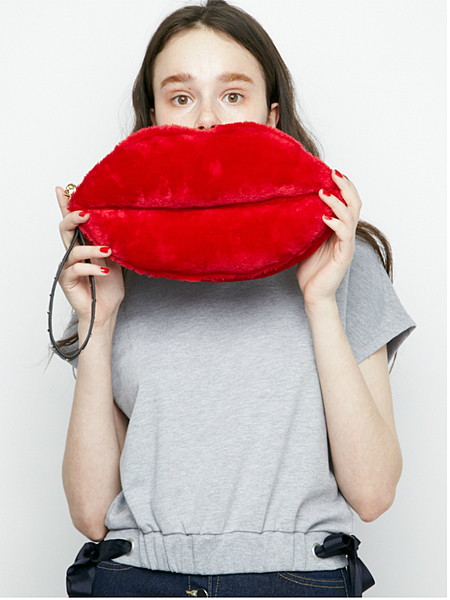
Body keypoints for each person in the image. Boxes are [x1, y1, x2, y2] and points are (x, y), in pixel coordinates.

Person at [56, 1, 415, 597]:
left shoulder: (344, 259)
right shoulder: (115, 269)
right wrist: (100, 315)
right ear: (152, 120)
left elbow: (373, 493)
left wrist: (320, 301)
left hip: (298, 579)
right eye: (180, 97)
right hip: (138, 578)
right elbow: (92, 513)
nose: (206, 121)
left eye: (232, 95)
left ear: (271, 116)